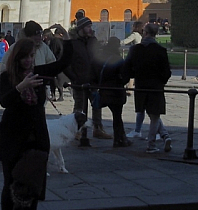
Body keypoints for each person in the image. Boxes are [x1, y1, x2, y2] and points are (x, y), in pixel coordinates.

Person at [0, 37, 73, 210]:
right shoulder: (7, 76)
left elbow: (62, 63)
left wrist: (67, 39)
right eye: (25, 57)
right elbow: (4, 101)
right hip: (13, 140)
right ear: (17, 58)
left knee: (34, 186)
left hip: (36, 140)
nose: (29, 60)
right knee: (10, 184)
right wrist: (21, 87)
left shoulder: (37, 73)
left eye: (31, 56)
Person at [122, 21, 172, 154]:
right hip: (156, 85)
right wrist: (161, 81)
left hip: (141, 84)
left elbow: (127, 67)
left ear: (145, 33)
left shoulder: (135, 49)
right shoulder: (161, 50)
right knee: (154, 115)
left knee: (145, 111)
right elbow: (167, 72)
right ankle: (153, 142)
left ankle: (161, 137)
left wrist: (129, 78)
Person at [64, 16, 111, 140]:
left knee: (97, 105)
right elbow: (65, 64)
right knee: (79, 106)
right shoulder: (72, 43)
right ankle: (77, 130)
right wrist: (74, 78)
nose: (90, 29)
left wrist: (99, 76)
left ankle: (98, 128)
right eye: (88, 27)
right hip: (79, 81)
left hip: (93, 80)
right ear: (81, 28)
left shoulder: (93, 41)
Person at [97, 36, 131, 147]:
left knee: (116, 115)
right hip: (115, 90)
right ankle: (119, 139)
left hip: (104, 90)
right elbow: (125, 76)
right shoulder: (118, 59)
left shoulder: (102, 56)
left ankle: (121, 137)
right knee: (117, 116)